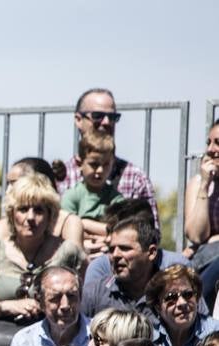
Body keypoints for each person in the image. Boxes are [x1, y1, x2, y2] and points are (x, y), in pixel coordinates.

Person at [0, 172, 85, 346]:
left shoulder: (67, 252)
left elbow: (85, 303)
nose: (30, 217)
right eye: (23, 209)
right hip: (1, 345)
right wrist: (7, 306)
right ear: (12, 214)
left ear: (50, 215)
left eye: (38, 210)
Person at [58, 88, 159, 221]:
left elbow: (151, 233)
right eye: (97, 116)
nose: (106, 122)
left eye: (112, 117)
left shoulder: (135, 178)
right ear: (78, 120)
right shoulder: (60, 178)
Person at [82, 209, 167, 319]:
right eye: (111, 249)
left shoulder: (171, 294)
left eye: (125, 248)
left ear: (151, 253)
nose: (115, 255)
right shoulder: (94, 294)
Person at [60, 128, 124, 249]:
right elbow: (66, 231)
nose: (100, 170)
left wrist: (83, 223)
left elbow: (120, 231)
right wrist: (104, 232)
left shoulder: (116, 199)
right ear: (80, 164)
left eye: (106, 165)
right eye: (94, 164)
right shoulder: (71, 196)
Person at [184, 120, 219, 271]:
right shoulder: (198, 183)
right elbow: (196, 235)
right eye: (208, 142)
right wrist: (204, 184)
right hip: (205, 262)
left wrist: (212, 240)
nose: (211, 149)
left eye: (218, 143)